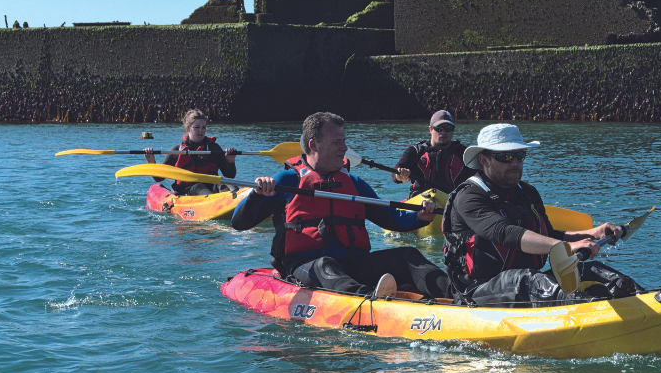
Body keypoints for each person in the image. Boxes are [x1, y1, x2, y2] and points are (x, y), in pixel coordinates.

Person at [232, 112, 450, 299]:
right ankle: (370, 303)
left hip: (354, 263)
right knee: (325, 265)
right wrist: (257, 196)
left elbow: (392, 219)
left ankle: (458, 296)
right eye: (337, 142)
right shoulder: (288, 181)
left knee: (407, 255)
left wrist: (420, 216)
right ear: (313, 145)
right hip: (306, 266)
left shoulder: (354, 184)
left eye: (344, 141)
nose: (345, 148)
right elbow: (239, 223)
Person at [441, 123, 650, 306]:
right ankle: (588, 307)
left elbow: (549, 234)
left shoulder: (527, 192)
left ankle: (643, 298)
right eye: (505, 157)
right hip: (478, 291)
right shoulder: (468, 196)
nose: (515, 163)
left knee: (591, 269)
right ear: (484, 160)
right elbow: (503, 232)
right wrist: (566, 248)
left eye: (520, 155)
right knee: (523, 280)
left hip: (527, 283)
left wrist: (593, 233)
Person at [144, 109, 238, 196]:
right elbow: (159, 178)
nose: (201, 131)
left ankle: (237, 199)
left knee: (227, 182)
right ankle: (212, 203)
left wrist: (230, 162)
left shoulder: (214, 148)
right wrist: (151, 162)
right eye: (197, 127)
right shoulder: (176, 151)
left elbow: (229, 176)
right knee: (198, 186)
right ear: (188, 128)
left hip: (212, 187)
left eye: (203, 127)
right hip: (187, 192)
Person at [392, 110, 477, 196]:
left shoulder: (464, 153)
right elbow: (394, 176)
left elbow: (478, 180)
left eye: (448, 129)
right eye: (439, 128)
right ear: (430, 129)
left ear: (453, 130)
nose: (443, 132)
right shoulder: (416, 151)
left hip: (453, 202)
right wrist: (401, 175)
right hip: (420, 201)